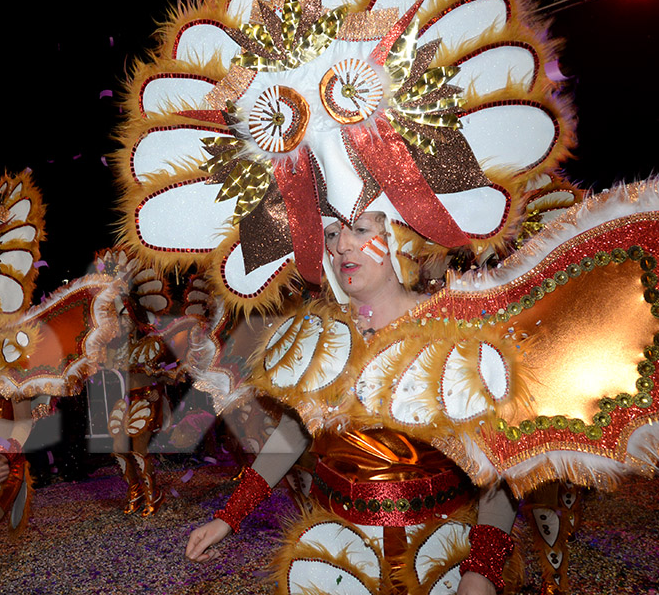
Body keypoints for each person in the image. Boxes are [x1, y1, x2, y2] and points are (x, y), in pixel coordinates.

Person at [186, 213, 517, 595]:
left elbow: (501, 460)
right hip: (338, 560)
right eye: (331, 233)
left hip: (439, 558)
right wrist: (228, 517)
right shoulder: (319, 336)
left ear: (399, 236)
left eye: (359, 229)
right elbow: (293, 434)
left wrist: (483, 570)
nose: (342, 244)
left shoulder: (456, 330)